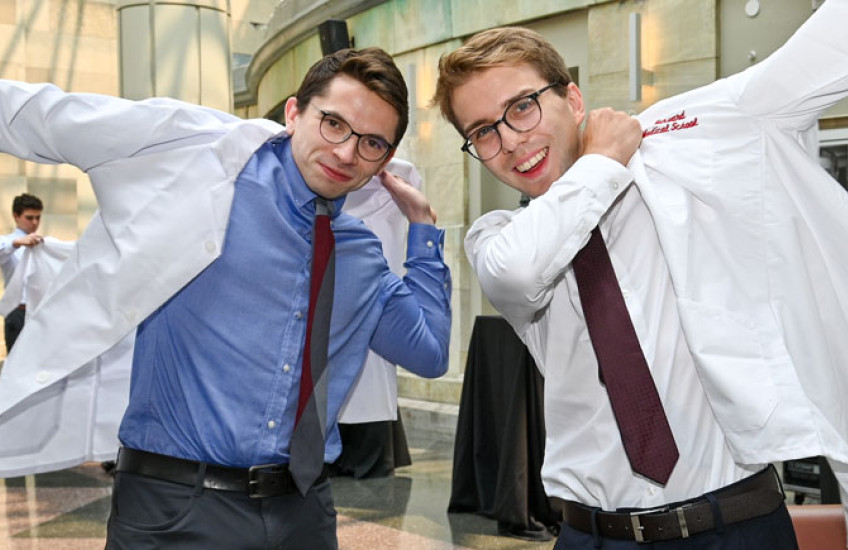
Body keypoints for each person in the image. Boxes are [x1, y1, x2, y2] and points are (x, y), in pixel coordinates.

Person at [0, 46, 451, 550]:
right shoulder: (206, 178)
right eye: (333, 124)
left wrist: (423, 230)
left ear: (386, 159)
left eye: (371, 143)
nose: (347, 153)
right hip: (174, 509)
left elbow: (429, 352)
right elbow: (42, 116)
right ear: (294, 113)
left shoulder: (361, 254)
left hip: (304, 515)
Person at [433, 1, 848, 549]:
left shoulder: (680, 137)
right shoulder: (499, 237)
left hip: (735, 524)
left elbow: (830, 50)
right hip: (594, 536)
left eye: (523, 107)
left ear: (573, 99)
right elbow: (518, 272)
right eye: (484, 131)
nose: (509, 140)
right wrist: (601, 160)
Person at [0, 193, 44, 352]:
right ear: (16, 216)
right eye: (29, 218)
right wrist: (16, 243)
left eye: (38, 218)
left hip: (40, 312)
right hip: (18, 311)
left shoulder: (43, 244)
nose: (34, 222)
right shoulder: (7, 242)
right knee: (16, 359)